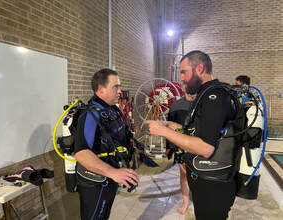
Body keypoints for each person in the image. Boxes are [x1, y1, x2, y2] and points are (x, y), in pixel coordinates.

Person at [145, 50, 238, 220]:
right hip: (207, 182)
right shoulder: (205, 94)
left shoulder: (214, 97)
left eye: (184, 72)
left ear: (200, 68)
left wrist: (163, 131)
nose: (181, 78)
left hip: (214, 186)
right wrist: (171, 126)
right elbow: (195, 134)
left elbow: (205, 148)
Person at [74, 68, 139, 220]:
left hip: (109, 178)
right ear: (101, 89)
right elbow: (82, 154)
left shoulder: (112, 110)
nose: (120, 91)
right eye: (115, 87)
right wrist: (113, 172)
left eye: (119, 86)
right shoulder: (90, 114)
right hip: (95, 183)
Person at [166, 82, 195, 215]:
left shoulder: (202, 103)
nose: (191, 91)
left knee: (199, 174)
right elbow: (169, 128)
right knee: (184, 174)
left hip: (198, 145)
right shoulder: (176, 105)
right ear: (183, 88)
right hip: (181, 146)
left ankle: (199, 200)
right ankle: (185, 202)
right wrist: (169, 147)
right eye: (188, 87)